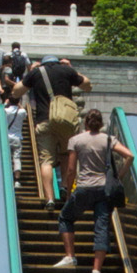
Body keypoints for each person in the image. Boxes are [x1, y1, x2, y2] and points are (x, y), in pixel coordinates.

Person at [56, 108, 133, 273]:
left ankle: (70, 256)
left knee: (65, 217)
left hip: (84, 187)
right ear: (101, 123)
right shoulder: (108, 139)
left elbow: (70, 170)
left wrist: (69, 192)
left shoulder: (76, 140)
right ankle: (96, 270)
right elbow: (130, 155)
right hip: (104, 190)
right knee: (101, 227)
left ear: (85, 122)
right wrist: (118, 176)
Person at [25, 51, 90, 180]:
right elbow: (87, 85)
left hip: (44, 120)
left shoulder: (36, 73)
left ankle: (49, 198)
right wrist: (71, 68)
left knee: (46, 161)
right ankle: (66, 188)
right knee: (66, 154)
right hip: (65, 120)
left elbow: (16, 91)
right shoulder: (66, 71)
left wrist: (31, 72)